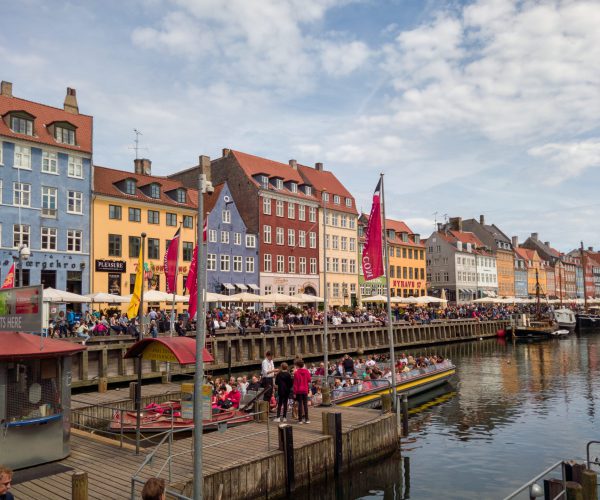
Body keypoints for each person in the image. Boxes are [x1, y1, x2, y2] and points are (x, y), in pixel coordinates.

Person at [293, 358, 312, 424]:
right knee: (305, 405)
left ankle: (300, 420)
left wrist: (294, 392)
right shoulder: (307, 371)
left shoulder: (296, 373)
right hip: (305, 390)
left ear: (297, 366)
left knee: (300, 405)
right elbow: (309, 380)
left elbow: (295, 384)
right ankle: (307, 419)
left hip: (298, 390)